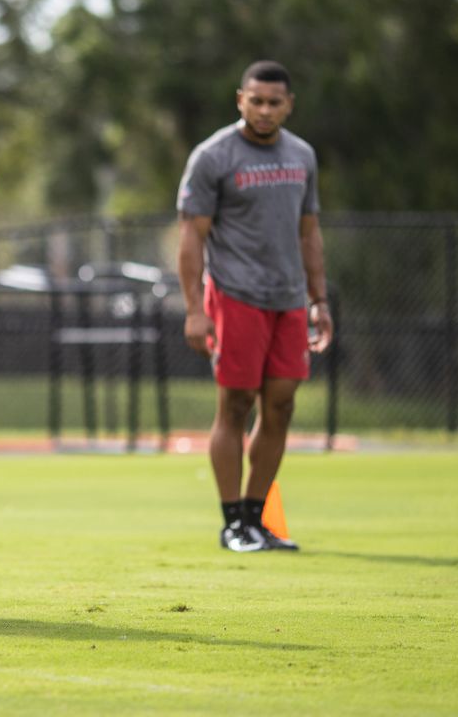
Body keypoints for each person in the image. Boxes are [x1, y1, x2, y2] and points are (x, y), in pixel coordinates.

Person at [175, 61, 333, 552]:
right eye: (256, 100)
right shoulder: (213, 156)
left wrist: (319, 299)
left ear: (289, 105)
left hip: (288, 301)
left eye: (275, 102)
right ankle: (231, 523)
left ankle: (256, 518)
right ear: (240, 99)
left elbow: (309, 233)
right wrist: (195, 310)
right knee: (237, 404)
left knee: (281, 405)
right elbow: (191, 238)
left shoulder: (302, 155)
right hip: (235, 296)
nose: (265, 110)